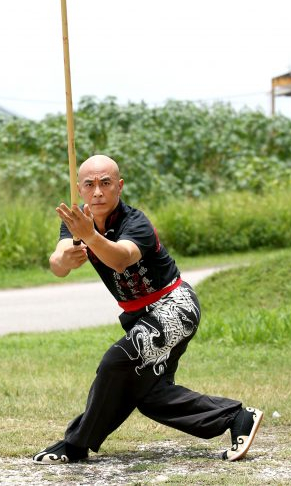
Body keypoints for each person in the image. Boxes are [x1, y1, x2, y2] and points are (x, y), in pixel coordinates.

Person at [33, 154, 263, 465]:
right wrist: (64, 260)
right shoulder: (76, 223)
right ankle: (237, 418)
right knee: (151, 396)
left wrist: (90, 236)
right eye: (89, 184)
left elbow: (120, 258)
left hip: (175, 307)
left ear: (120, 187)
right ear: (79, 189)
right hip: (140, 318)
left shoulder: (134, 222)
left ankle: (75, 444)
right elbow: (57, 262)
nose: (97, 191)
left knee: (116, 362)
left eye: (105, 183)